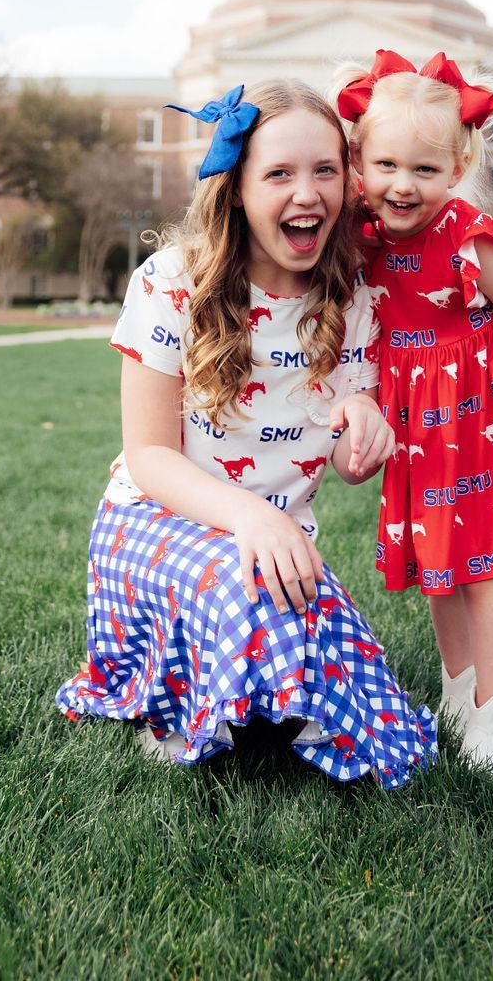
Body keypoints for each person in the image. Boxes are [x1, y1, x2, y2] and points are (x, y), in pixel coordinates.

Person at [55, 78, 436, 789]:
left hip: (276, 538)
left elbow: (351, 461)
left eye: (325, 170)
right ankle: (181, 708)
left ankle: (264, 690)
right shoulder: (171, 282)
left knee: (374, 710)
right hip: (155, 522)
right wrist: (250, 516)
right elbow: (147, 456)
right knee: (250, 585)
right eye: (280, 173)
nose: (308, 193)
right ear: (236, 189)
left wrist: (368, 426)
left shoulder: (352, 295)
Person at [334, 50, 493, 775]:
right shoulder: (362, 236)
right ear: (359, 160)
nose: (402, 185)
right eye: (385, 166)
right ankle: (458, 686)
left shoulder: (470, 236)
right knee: (438, 569)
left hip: (481, 422)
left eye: (425, 170)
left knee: (483, 572)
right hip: (415, 426)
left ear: (458, 164)